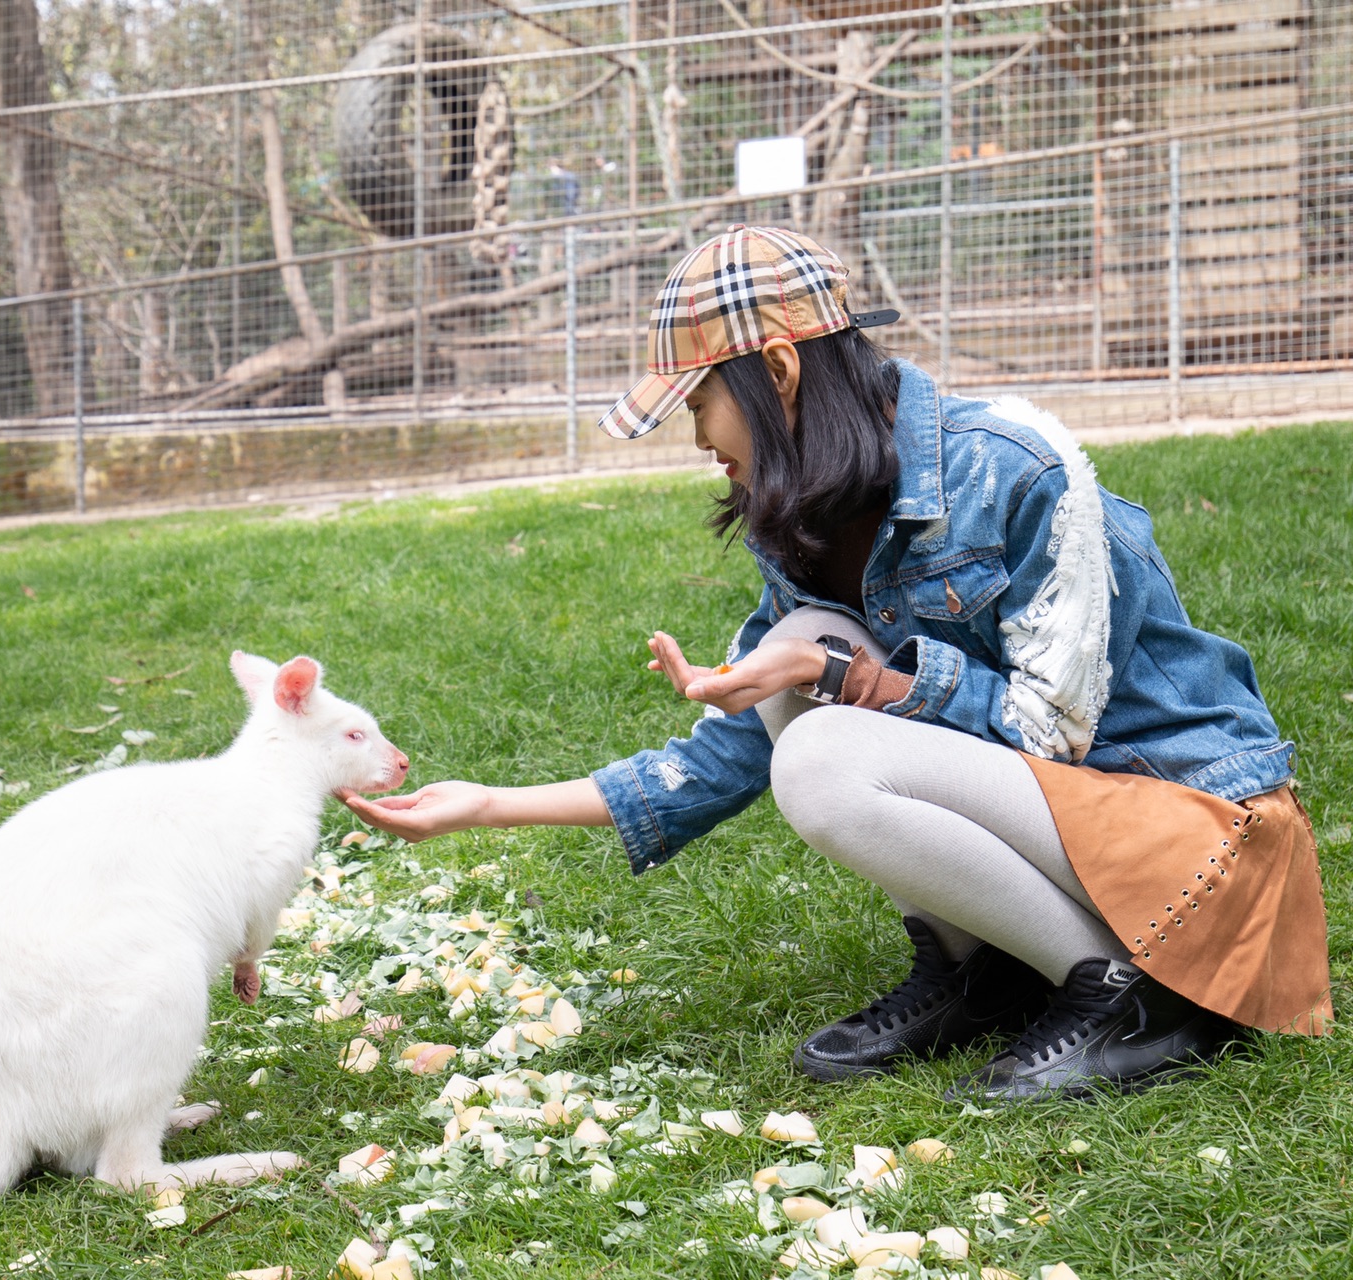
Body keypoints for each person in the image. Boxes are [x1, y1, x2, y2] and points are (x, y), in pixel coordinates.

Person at [344, 225, 1332, 1100]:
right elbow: (724, 758)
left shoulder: (1021, 465)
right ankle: (979, 969)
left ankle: (1126, 995)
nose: (696, 439)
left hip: (1201, 850)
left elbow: (1051, 733)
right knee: (793, 666)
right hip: (1081, 831)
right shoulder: (802, 519)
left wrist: (844, 679)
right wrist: (484, 803)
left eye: (698, 403)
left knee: (821, 750)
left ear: (776, 373)